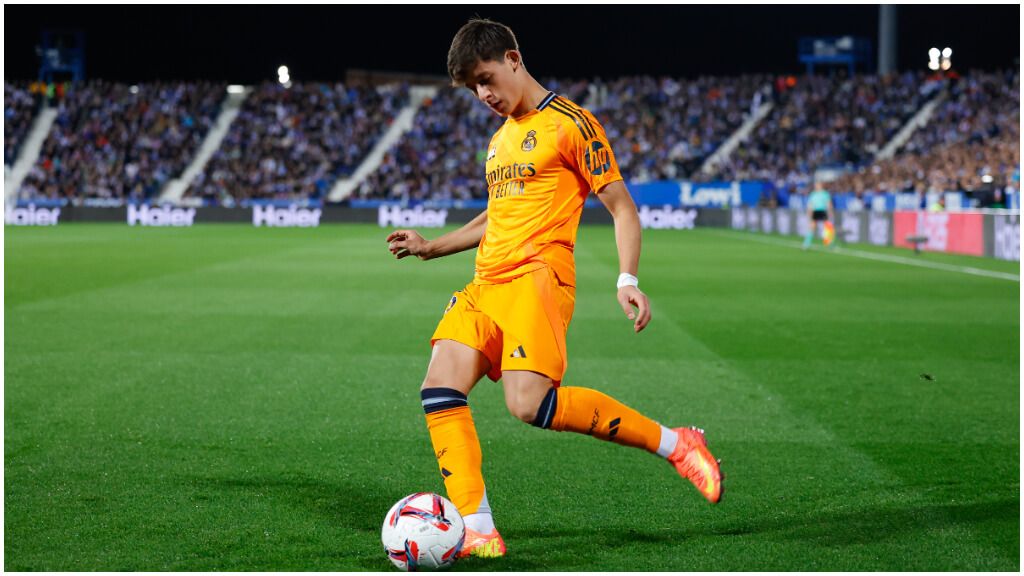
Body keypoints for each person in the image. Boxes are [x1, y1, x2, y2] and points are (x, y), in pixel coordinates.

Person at [385, 18, 722, 559]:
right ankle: (477, 527)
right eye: (474, 87)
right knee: (439, 388)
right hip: (486, 283)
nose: (485, 94)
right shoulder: (499, 143)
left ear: (514, 58)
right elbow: (496, 218)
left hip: (537, 279)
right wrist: (432, 247)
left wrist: (627, 279)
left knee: (528, 405)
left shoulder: (572, 123)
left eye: (487, 78)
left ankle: (676, 443)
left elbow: (621, 207)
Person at [803, 182, 835, 249]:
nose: (816, 186)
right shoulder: (813, 194)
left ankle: (828, 243)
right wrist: (809, 212)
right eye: (815, 185)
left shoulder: (825, 194)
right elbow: (810, 204)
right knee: (812, 227)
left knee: (827, 227)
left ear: (821, 186)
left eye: (817, 185)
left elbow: (828, 203)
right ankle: (806, 243)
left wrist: (830, 212)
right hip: (815, 211)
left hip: (823, 211)